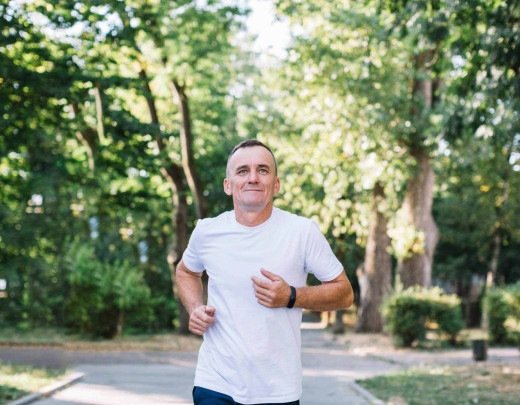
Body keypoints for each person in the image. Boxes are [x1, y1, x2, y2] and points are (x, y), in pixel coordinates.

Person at [175, 139, 354, 405]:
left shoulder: (301, 232)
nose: (253, 178)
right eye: (242, 171)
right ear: (228, 185)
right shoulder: (207, 231)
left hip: (277, 389)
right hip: (215, 383)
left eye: (263, 170)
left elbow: (345, 293)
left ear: (276, 183)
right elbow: (186, 272)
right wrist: (195, 308)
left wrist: (291, 296)